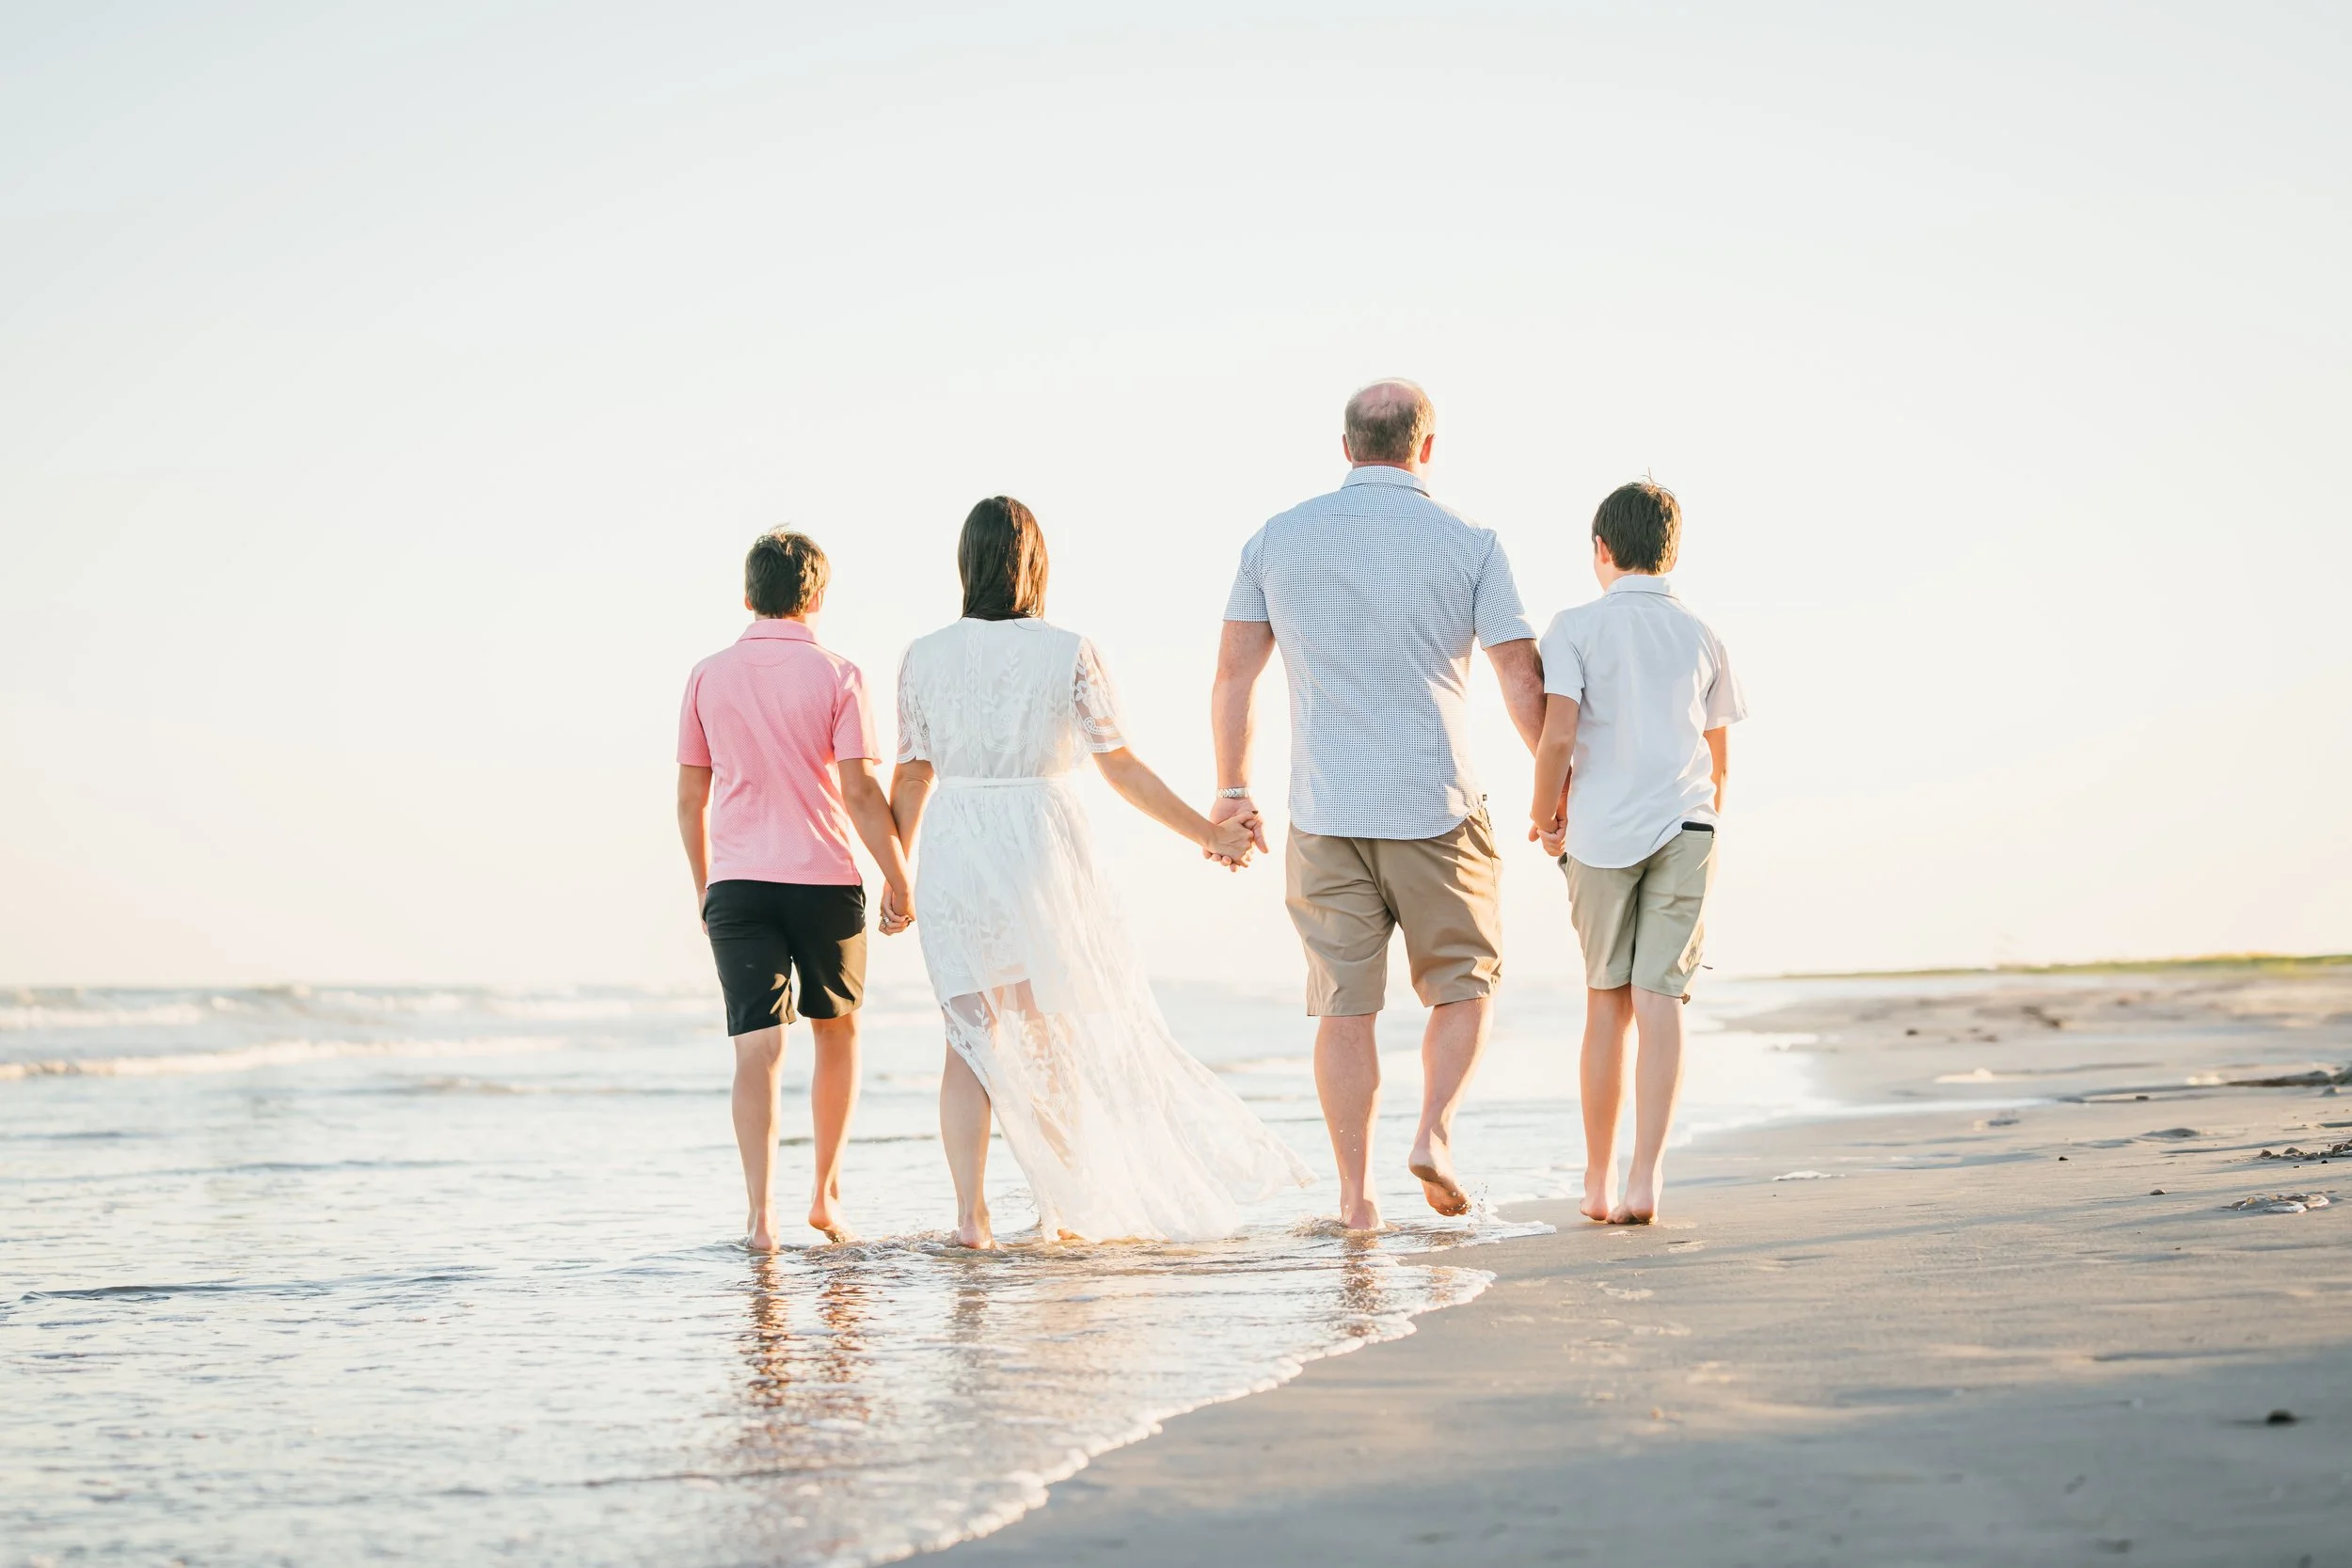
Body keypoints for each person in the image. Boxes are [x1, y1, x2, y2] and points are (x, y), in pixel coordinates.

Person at [889, 496, 1312, 1249]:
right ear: (1035, 564)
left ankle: (970, 1217)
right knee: (1046, 1030)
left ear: (966, 564)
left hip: (954, 846)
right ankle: (1064, 1206)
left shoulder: (922, 654)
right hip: (1040, 847)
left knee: (965, 1037)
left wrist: (896, 869)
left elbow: (914, 774)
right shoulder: (1069, 650)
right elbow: (1120, 767)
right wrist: (1209, 833)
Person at [1212, 380, 1547, 1230]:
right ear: (1426, 447)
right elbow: (1517, 673)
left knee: (1344, 1006)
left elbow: (1235, 677)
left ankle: (1357, 1200)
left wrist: (1233, 789)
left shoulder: (1274, 539)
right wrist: (1558, 782)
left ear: (1347, 445)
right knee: (1464, 985)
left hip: (1324, 808)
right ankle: (1433, 1132)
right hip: (1437, 802)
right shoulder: (1471, 542)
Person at [676, 529, 914, 1251]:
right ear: (816, 596)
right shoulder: (838, 673)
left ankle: (761, 1214)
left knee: (757, 1050)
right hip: (824, 881)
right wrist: (900, 879)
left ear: (749, 595)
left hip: (739, 884)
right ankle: (826, 1195)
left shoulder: (707, 675)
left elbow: (690, 799)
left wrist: (705, 890)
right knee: (836, 1033)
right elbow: (862, 793)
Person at [1527, 480, 1745, 1226]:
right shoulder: (1702, 634)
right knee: (1662, 999)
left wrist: (1543, 816)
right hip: (1687, 827)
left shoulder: (1573, 627)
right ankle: (1646, 1179)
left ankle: (1595, 1181)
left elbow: (1558, 736)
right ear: (1671, 551)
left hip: (1600, 832)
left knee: (1605, 1002)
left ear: (1602, 550)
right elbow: (1719, 761)